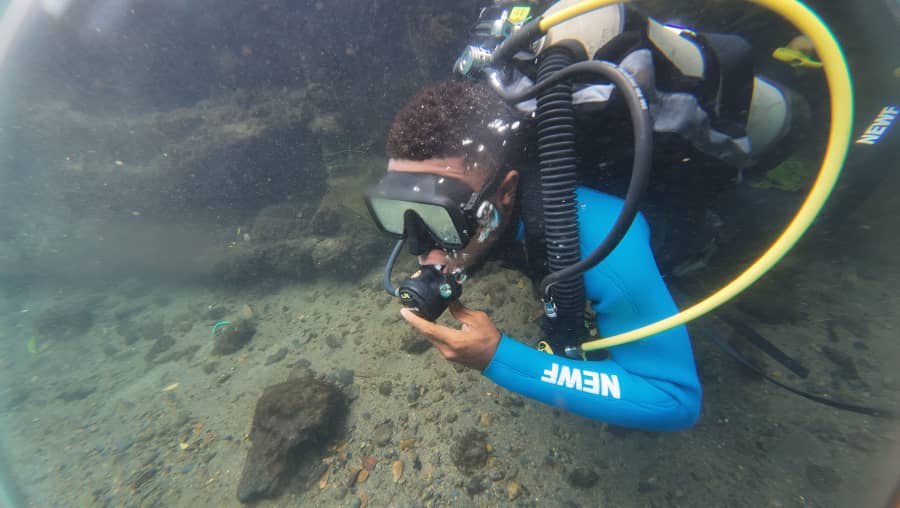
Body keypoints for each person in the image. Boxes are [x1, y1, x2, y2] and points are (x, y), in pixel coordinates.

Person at [367, 81, 702, 431]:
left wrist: (497, 356)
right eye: (399, 210)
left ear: (506, 191)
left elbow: (673, 399)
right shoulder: (484, 203)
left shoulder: (600, 238)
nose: (420, 250)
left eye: (443, 218)